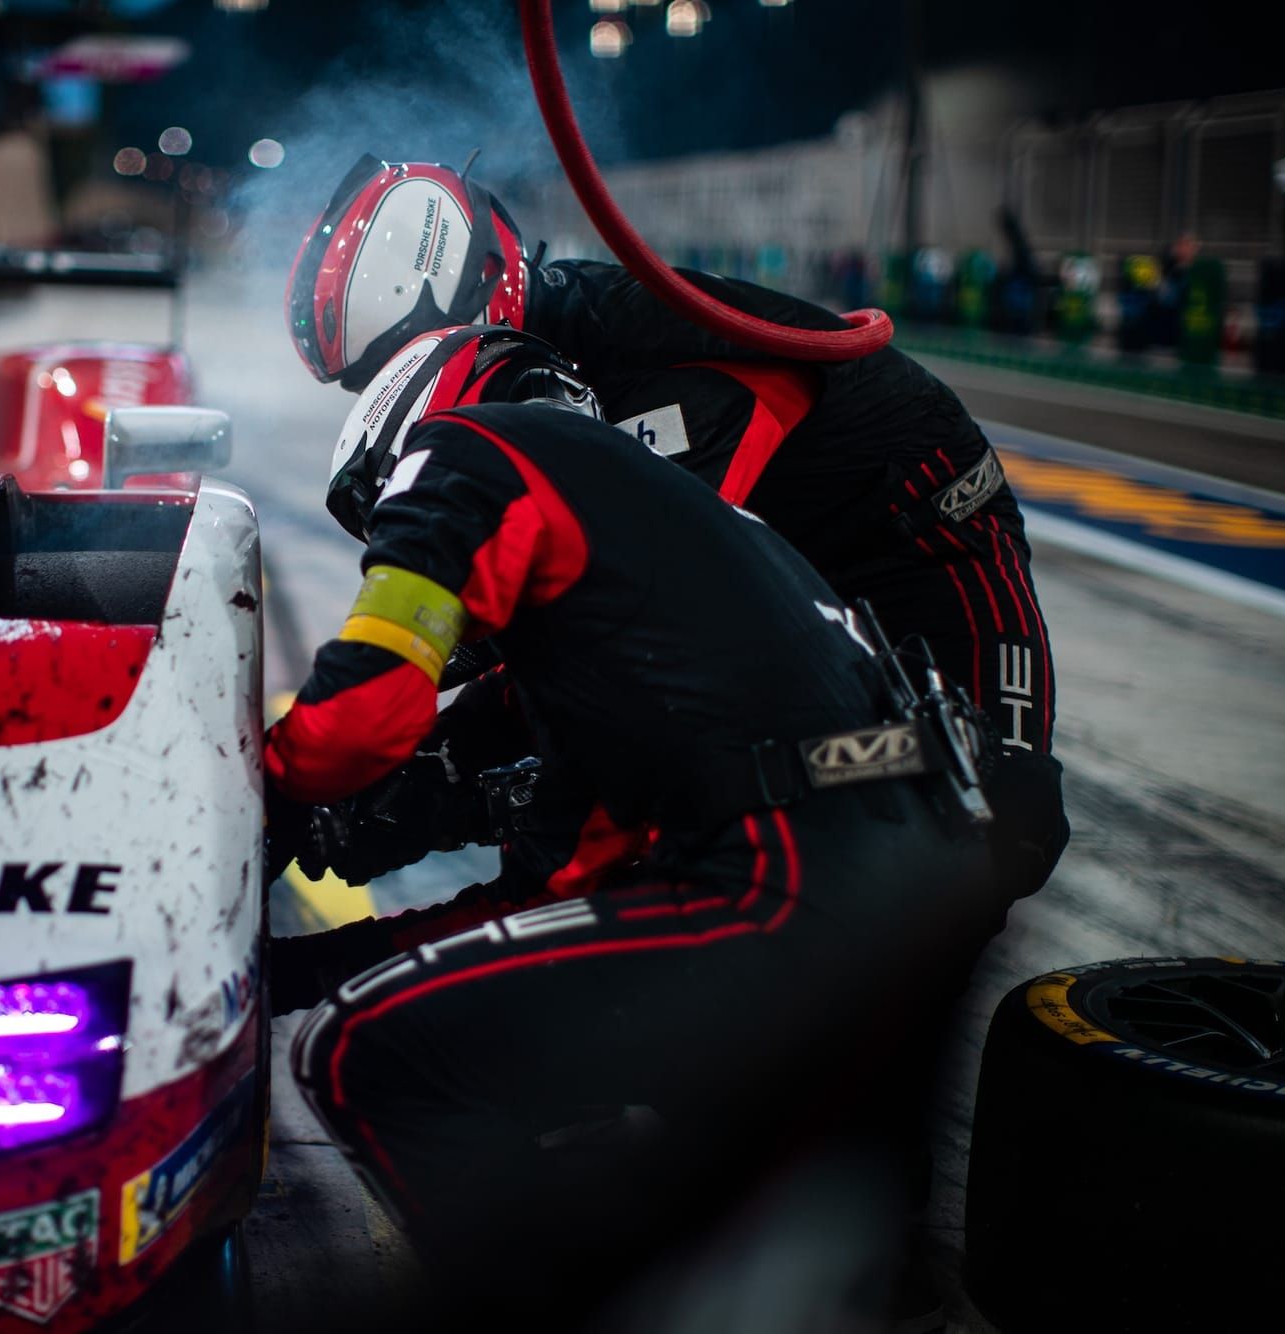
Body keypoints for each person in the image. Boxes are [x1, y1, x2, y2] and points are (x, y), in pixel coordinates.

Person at [264, 323, 1007, 1326]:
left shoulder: (467, 445)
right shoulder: (671, 588)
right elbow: (554, 897)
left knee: (358, 1049)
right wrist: (300, 970)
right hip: (902, 906)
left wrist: (263, 791)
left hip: (788, 877)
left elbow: (351, 726)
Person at [286, 157, 1067, 900]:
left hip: (925, 548)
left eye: (401, 357)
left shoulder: (638, 354)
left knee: (1007, 826)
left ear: (475, 291)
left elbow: (620, 630)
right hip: (804, 584)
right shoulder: (550, 367)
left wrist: (439, 783)